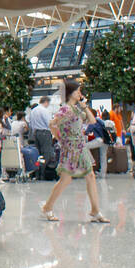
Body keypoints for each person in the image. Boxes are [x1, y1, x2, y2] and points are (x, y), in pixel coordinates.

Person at [41, 80, 110, 223]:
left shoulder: (76, 109)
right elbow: (52, 124)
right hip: (71, 147)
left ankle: (95, 210)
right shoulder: (66, 109)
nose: (80, 93)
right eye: (78, 90)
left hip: (80, 147)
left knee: (90, 176)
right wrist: (61, 139)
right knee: (66, 180)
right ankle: (47, 207)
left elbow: (92, 121)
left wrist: (84, 107)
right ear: (71, 93)